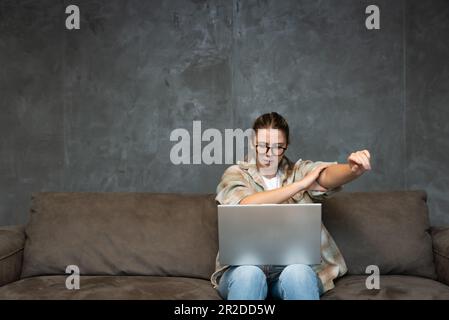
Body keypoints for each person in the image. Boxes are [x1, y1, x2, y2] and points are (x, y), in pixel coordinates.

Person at [210, 112, 372, 300]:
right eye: (263, 146)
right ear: (252, 143)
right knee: (249, 275)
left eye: (278, 147)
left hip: (292, 268)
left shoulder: (298, 171)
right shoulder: (236, 174)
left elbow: (325, 175)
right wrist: (300, 186)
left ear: (286, 146)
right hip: (243, 269)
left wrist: (352, 170)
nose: (270, 154)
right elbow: (246, 204)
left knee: (299, 274)